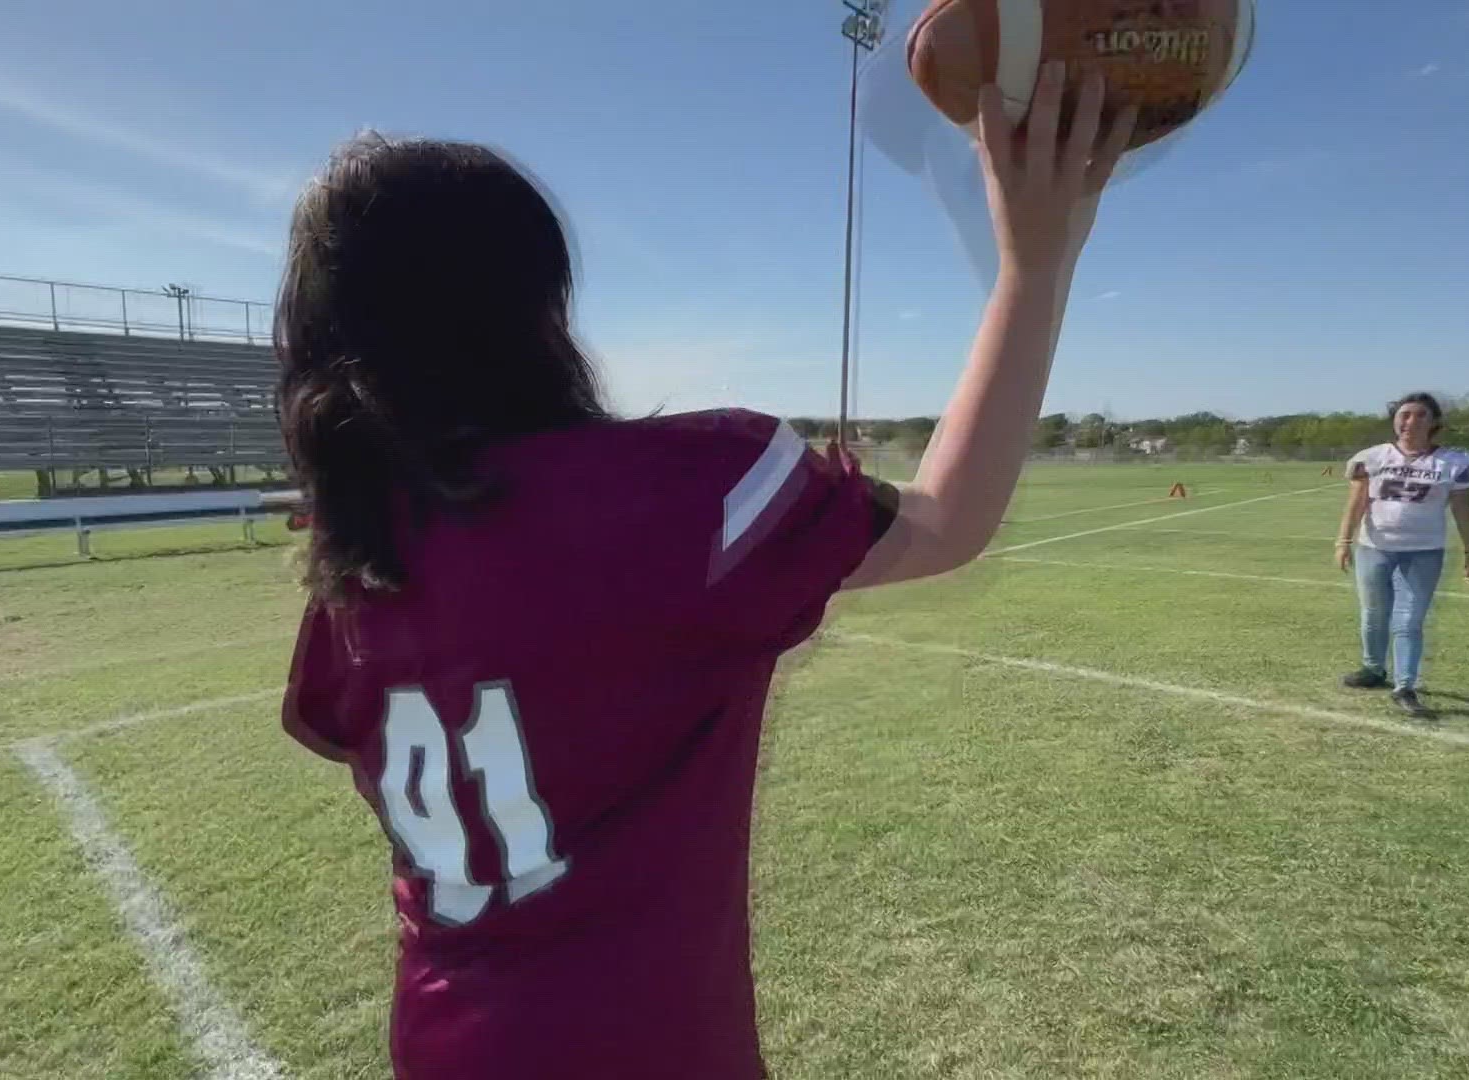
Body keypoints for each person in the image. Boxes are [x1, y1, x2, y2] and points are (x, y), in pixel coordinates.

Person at [275, 63, 1136, 1079]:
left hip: (445, 1039)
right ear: (539, 306)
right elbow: (947, 524)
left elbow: (357, 743)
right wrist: (1035, 269)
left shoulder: (359, 565)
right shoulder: (679, 492)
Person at [1334, 393, 1469, 718]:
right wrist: (1342, 541)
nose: (1410, 421)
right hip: (1374, 547)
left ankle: (1405, 685)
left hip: (1423, 552)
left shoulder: (1453, 463)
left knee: (1409, 620)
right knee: (1373, 615)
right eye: (1404, 414)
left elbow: (1463, 509)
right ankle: (1373, 669)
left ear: (1434, 424)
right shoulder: (1372, 458)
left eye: (1420, 415)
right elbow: (1357, 501)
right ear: (1395, 419)